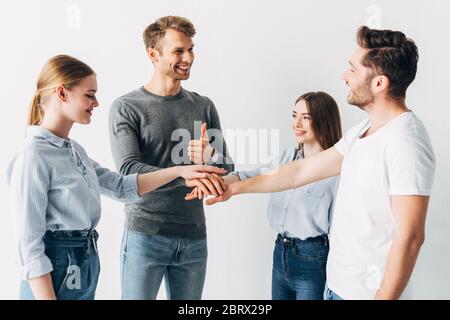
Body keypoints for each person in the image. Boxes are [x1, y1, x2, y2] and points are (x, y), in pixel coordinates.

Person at [194, 26, 436, 300]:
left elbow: (411, 236)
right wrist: (233, 188)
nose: (345, 77)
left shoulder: (406, 141)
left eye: (353, 69)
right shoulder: (361, 132)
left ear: (379, 83)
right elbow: (299, 172)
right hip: (336, 287)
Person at [6, 54, 225, 300]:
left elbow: (121, 187)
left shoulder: (74, 150)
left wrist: (180, 172)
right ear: (62, 93)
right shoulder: (33, 155)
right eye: (89, 95)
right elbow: (29, 247)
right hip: (56, 265)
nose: (96, 103)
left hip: (83, 258)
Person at [108, 16, 234, 300]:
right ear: (153, 54)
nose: (188, 57)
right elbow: (129, 172)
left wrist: (209, 155)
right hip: (145, 235)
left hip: (194, 236)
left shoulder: (203, 105)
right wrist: (185, 172)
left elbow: (226, 169)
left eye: (191, 49)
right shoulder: (127, 108)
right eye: (178, 50)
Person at [187, 91, 342, 300]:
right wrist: (214, 177)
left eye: (306, 117)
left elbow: (340, 227)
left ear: (324, 120)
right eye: (294, 115)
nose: (297, 123)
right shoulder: (287, 157)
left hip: (312, 257)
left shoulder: (336, 169)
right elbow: (245, 176)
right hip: (281, 252)